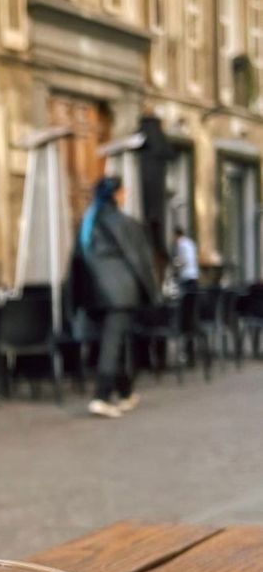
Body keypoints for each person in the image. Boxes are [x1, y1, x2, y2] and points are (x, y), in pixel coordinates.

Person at [68, 176, 158, 419]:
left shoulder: (88, 223)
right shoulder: (125, 223)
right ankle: (101, 396)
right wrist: (152, 294)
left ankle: (126, 393)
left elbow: (76, 262)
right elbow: (141, 260)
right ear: (117, 194)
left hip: (95, 293)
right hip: (120, 293)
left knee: (111, 342)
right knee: (112, 344)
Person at [172, 226, 199, 292]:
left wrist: (176, 264)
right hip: (194, 274)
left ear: (176, 235)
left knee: (185, 297)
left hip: (186, 275)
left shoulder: (181, 244)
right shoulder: (190, 242)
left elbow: (183, 260)